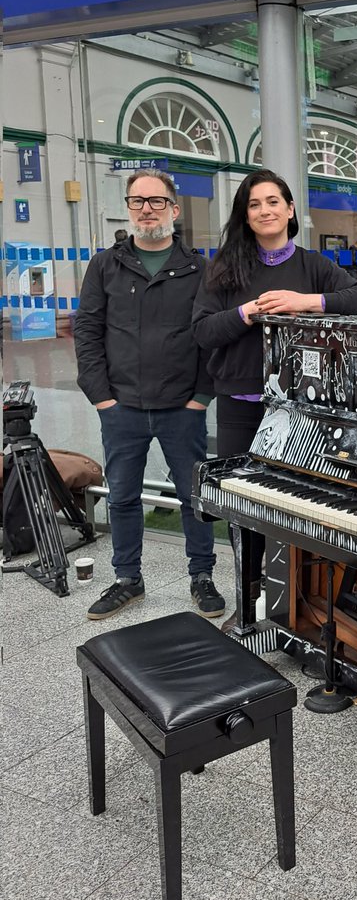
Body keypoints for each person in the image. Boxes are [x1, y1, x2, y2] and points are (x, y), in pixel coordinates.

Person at [192, 170, 357, 629]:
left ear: (291, 210)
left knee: (298, 507)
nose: (265, 211)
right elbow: (202, 331)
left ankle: (299, 605)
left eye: (273, 202)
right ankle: (247, 596)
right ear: (245, 215)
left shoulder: (313, 266)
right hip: (240, 406)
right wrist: (246, 312)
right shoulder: (224, 269)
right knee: (244, 507)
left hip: (300, 413)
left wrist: (307, 302)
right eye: (255, 205)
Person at [75, 171, 222, 621]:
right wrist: (101, 397)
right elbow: (87, 331)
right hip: (123, 408)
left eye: (157, 201)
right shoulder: (106, 265)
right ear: (128, 208)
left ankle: (202, 576)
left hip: (183, 408)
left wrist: (202, 395)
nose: (146, 209)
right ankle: (127, 580)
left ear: (174, 211)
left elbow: (213, 336)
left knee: (193, 497)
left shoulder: (200, 270)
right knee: (121, 496)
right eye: (137, 201)